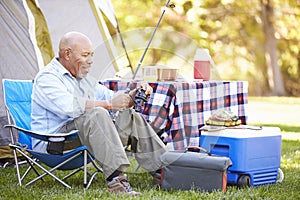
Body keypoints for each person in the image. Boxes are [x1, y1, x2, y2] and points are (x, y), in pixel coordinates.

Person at [31, 31, 167, 196]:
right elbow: (70, 106)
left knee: (129, 115)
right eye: (85, 55)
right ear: (67, 54)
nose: (90, 60)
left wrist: (133, 95)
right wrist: (109, 105)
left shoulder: (84, 79)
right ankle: (117, 182)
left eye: (92, 55)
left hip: (85, 138)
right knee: (96, 113)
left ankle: (164, 173)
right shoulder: (47, 78)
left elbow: (112, 99)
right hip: (55, 144)